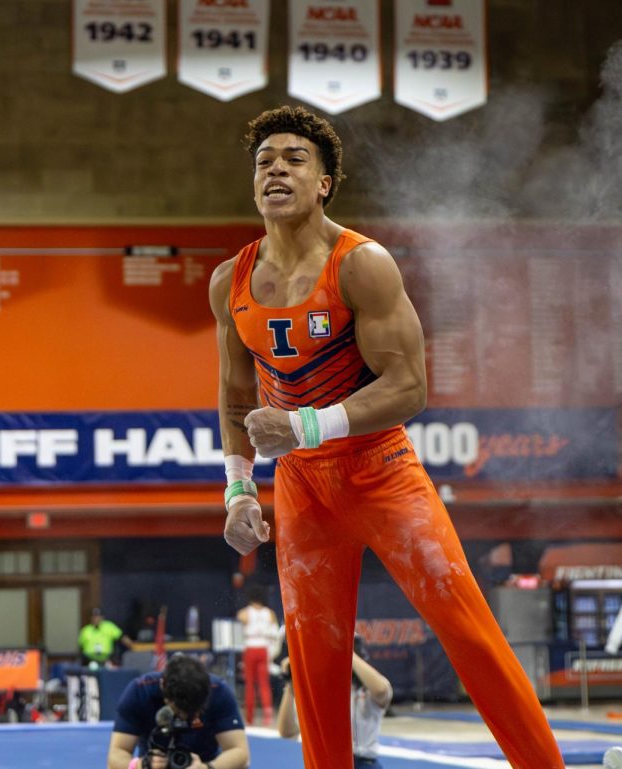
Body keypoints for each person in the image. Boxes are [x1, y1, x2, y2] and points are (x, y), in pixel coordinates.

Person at [209, 105, 565, 769]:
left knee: (468, 632)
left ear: (324, 183)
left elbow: (410, 388)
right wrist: (236, 491)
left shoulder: (361, 265)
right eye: (264, 161)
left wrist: (303, 424)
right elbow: (233, 397)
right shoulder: (230, 280)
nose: (275, 169)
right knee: (314, 662)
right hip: (301, 485)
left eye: (294, 159)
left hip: (379, 470)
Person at [108, 654, 249, 769]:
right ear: (163, 688)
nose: (184, 718)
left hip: (204, 762)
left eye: (193, 712)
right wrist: (142, 765)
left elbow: (240, 752)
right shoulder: (140, 692)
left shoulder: (218, 691)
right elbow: (116, 756)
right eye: (179, 710)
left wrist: (208, 768)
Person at [276, 635, 391, 769]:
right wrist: (291, 683)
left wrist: (345, 649)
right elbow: (287, 731)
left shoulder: (365, 690)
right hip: (325, 763)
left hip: (362, 762)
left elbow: (382, 690)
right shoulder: (318, 691)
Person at [236, 584, 276, 726]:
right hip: (264, 649)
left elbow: (239, 627)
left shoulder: (244, 613)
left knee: (250, 684)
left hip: (251, 648)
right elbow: (275, 633)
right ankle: (268, 715)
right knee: (264, 683)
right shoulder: (269, 613)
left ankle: (249, 718)